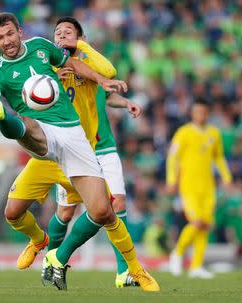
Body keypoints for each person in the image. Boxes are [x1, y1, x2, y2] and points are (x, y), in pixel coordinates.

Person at [0, 12, 159, 291]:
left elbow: (73, 62)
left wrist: (101, 81)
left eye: (10, 34)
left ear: (20, 31)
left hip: (74, 135)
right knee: (25, 146)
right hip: (40, 133)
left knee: (103, 212)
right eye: (0, 38)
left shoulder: (42, 47)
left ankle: (132, 270)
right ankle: (2, 115)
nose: (7, 41)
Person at [46, 17, 142, 288]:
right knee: (65, 213)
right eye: (57, 32)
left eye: (68, 32)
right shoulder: (52, 66)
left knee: (117, 203)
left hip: (103, 144)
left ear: (81, 37)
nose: (61, 35)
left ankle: (123, 272)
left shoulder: (93, 63)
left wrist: (125, 103)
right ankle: (52, 261)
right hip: (72, 147)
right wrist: (54, 77)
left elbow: (106, 85)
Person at [166, 98, 232, 279]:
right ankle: (177, 253)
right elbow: (173, 158)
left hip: (208, 186)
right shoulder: (183, 133)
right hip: (188, 186)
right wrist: (172, 180)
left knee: (205, 225)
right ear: (192, 113)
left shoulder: (214, 133)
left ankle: (196, 266)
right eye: (197, 112)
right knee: (196, 222)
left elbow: (218, 157)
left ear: (207, 113)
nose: (200, 115)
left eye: (203, 112)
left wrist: (226, 177)